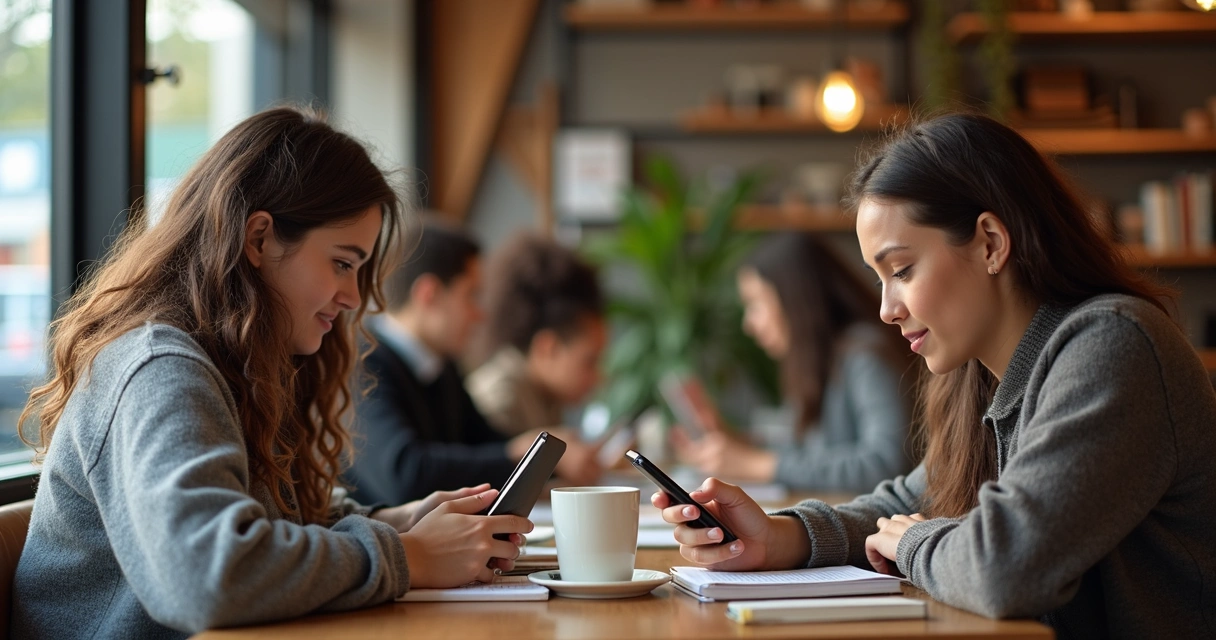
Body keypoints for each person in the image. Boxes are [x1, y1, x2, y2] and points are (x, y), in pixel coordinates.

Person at [653, 112, 1216, 638]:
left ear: (991, 243)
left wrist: (915, 542)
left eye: (901, 270)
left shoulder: (1113, 345)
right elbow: (909, 497)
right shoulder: (979, 374)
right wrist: (779, 537)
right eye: (879, 278)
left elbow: (1004, 568)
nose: (885, 309)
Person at [12, 107, 531, 639]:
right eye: (342, 263)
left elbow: (268, 524)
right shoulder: (160, 368)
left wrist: (396, 522)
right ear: (259, 238)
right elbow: (207, 577)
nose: (353, 297)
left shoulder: (235, 364)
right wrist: (407, 555)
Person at [344, 222, 601, 506]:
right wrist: (518, 453)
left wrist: (540, 455)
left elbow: (484, 443)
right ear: (429, 294)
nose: (480, 315)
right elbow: (405, 475)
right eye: (471, 296)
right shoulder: (363, 364)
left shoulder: (441, 367)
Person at [671, 232, 915, 493]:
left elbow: (886, 464)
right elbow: (808, 453)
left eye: (755, 305)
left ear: (794, 298)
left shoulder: (865, 354)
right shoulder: (816, 362)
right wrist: (736, 442)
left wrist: (758, 465)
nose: (749, 324)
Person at [466, 234, 607, 446]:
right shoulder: (499, 401)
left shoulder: (546, 395)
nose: (598, 378)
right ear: (548, 348)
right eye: (589, 361)